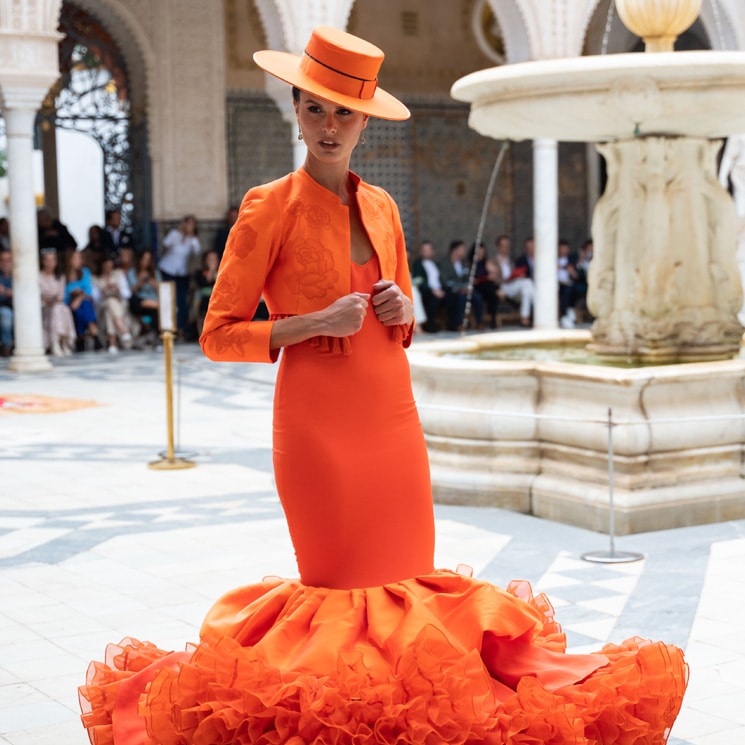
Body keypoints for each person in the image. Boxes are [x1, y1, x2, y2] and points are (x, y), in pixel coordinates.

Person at [79, 27, 687, 745]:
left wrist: (402, 314)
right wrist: (304, 324)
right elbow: (216, 333)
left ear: (364, 119)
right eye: (315, 110)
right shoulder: (266, 206)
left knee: (409, 582)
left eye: (344, 113)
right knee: (345, 592)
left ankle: (413, 719)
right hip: (317, 429)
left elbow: (397, 321)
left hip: (390, 415)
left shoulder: (384, 209)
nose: (329, 126)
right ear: (297, 110)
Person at [157, 214, 200, 339]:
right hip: (167, 270)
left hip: (182, 273)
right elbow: (166, 243)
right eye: (187, 223)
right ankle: (166, 329)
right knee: (167, 299)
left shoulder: (193, 239)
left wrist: (190, 236)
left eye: (192, 224)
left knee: (182, 301)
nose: (189, 226)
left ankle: (180, 329)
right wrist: (179, 232)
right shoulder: (175, 234)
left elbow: (197, 251)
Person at [92, 253, 133, 353]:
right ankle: (123, 330)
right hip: (102, 306)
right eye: (106, 264)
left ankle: (112, 342)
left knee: (110, 308)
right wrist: (103, 291)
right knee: (110, 303)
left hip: (120, 305)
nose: (108, 266)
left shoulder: (118, 274)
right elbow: (94, 298)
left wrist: (118, 289)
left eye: (110, 263)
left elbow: (127, 294)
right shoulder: (95, 278)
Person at [440, 239, 484, 330]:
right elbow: (446, 281)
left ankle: (479, 322)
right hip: (452, 291)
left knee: (478, 297)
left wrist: (467, 286)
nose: (464, 251)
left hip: (465, 290)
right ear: (455, 250)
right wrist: (459, 288)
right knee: (461, 298)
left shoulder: (465, 263)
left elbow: (468, 278)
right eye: (462, 249)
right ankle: (459, 324)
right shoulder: (444, 263)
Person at [39, 248, 75, 356]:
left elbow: (61, 296)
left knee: (61, 309)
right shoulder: (38, 276)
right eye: (47, 260)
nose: (50, 263)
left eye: (52, 260)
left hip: (57, 305)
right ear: (43, 261)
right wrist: (48, 299)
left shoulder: (60, 277)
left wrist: (53, 299)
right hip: (43, 307)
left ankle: (62, 341)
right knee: (58, 310)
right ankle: (56, 342)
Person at [63, 249, 101, 351]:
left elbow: (88, 291)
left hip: (82, 301)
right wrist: (75, 295)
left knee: (84, 305)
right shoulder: (64, 275)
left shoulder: (85, 272)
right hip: (68, 302)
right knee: (82, 306)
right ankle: (94, 334)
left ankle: (81, 337)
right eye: (77, 258)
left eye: (80, 258)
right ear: (70, 260)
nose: (80, 261)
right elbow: (64, 292)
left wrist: (78, 299)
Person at [496, 234, 534, 326]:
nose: (506, 248)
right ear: (498, 247)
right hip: (503, 287)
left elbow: (514, 274)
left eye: (507, 246)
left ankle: (524, 319)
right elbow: (493, 278)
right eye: (504, 245)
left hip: (513, 285)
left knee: (526, 289)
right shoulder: (493, 261)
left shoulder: (511, 261)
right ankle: (542, 312)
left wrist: (518, 276)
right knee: (527, 282)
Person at [410, 239, 446, 332]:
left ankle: (454, 324)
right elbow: (419, 280)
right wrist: (433, 290)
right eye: (424, 250)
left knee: (454, 297)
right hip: (427, 291)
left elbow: (441, 279)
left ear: (432, 251)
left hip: (439, 289)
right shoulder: (418, 264)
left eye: (428, 250)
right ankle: (429, 325)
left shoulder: (435, 263)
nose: (426, 252)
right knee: (434, 299)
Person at [127, 249, 161, 345]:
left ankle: (154, 334)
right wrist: (140, 283)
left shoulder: (155, 273)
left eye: (148, 259)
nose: (146, 262)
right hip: (137, 301)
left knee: (156, 311)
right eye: (144, 259)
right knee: (158, 307)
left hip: (153, 300)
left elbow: (162, 289)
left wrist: (152, 282)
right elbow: (130, 291)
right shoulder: (132, 272)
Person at [190, 248, 219, 336]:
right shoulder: (200, 273)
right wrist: (211, 270)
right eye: (210, 259)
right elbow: (204, 283)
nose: (212, 261)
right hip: (204, 301)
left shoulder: (222, 271)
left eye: (214, 259)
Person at [471, 240, 499, 328]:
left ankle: (493, 318)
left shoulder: (486, 263)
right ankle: (482, 321)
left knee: (492, 293)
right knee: (489, 290)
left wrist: (491, 270)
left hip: (487, 286)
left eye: (483, 252)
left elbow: (495, 275)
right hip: (477, 286)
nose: (481, 254)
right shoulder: (471, 263)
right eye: (479, 252)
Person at [0, 250, 12, 357]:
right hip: (3, 307)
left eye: (8, 260)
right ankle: (6, 346)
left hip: (19, 308)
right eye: (2, 260)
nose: (5, 263)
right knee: (6, 314)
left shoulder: (19, 276)